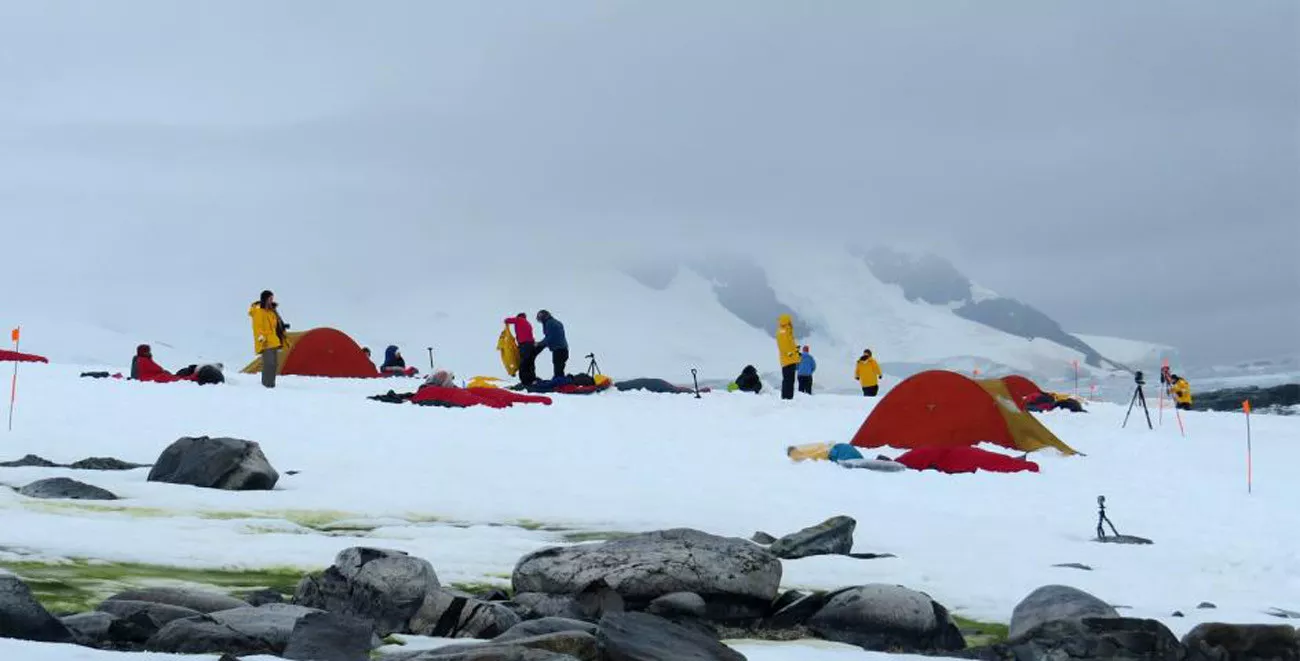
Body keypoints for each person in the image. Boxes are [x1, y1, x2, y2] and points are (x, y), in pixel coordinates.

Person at [249, 290, 283, 388]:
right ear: (265, 299)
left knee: (274, 364)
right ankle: (266, 385)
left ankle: (271, 384)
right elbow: (258, 326)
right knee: (269, 363)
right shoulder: (259, 311)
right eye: (270, 298)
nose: (271, 300)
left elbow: (275, 325)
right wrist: (261, 338)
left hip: (274, 341)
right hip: (265, 341)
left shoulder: (271, 311)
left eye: (272, 298)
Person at [505, 313, 537, 385]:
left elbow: (507, 320)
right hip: (530, 344)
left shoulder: (519, 320)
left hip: (524, 345)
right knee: (530, 363)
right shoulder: (527, 323)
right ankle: (532, 379)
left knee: (523, 363)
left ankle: (524, 381)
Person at [535, 310, 568, 379]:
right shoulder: (556, 322)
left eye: (540, 318)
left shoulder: (549, 323)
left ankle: (559, 384)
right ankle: (560, 382)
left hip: (559, 350)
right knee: (560, 369)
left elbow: (550, 337)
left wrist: (539, 344)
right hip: (563, 349)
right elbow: (555, 337)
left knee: (558, 369)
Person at [776, 314, 800, 400]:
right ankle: (786, 397)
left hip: (790, 359)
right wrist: (790, 353)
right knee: (788, 380)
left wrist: (796, 350)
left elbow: (790, 344)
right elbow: (783, 345)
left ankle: (788, 397)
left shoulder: (787, 331)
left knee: (790, 380)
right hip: (788, 359)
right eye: (789, 320)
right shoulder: (783, 331)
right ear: (787, 321)